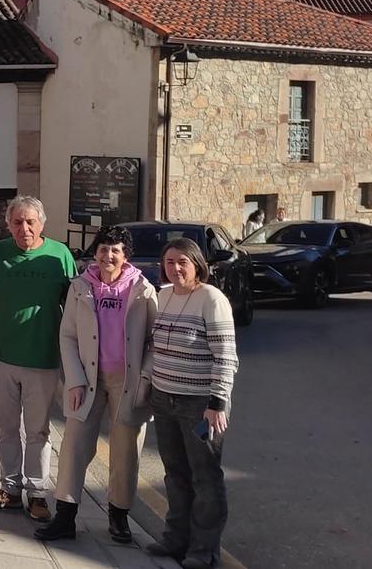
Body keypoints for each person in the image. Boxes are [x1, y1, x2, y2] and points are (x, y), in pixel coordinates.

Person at [35, 226, 158, 543]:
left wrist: (145, 378)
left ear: (125, 255)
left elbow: (154, 342)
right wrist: (73, 380)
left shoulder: (143, 290)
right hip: (87, 379)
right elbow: (68, 336)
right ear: (95, 253)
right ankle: (65, 517)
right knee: (75, 446)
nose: (108, 256)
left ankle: (119, 518)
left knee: (125, 450)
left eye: (115, 250)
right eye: (103, 249)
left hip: (127, 382)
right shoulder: (80, 287)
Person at [0, 195, 76, 522]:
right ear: (8, 225)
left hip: (43, 359)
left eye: (30, 221)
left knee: (38, 430)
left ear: (42, 224)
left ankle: (37, 493)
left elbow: (74, 308)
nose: (24, 228)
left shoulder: (59, 256)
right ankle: (10, 487)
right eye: (17, 222)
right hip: (1, 358)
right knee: (5, 427)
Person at [145, 238, 239, 569]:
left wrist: (217, 401)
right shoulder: (165, 295)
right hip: (164, 399)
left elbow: (226, 356)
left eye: (182, 261)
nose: (176, 268)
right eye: (169, 262)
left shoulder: (212, 299)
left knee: (205, 477)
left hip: (200, 405)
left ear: (197, 264)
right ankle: (175, 539)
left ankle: (203, 551)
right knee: (174, 473)